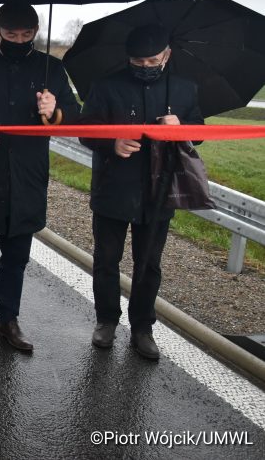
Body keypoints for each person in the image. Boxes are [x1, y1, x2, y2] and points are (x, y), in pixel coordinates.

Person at [0, 0, 80, 353]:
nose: (19, 39)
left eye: (26, 34)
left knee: (16, 258)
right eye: (11, 33)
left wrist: (53, 112)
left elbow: (75, 116)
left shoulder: (51, 69)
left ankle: (7, 319)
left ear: (36, 32)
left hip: (26, 176)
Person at [79, 24, 203, 361]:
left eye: (152, 60)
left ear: (167, 55)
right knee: (106, 260)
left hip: (158, 191)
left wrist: (182, 130)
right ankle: (106, 320)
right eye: (138, 61)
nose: (145, 66)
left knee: (149, 264)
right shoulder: (105, 87)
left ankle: (142, 327)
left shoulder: (184, 89)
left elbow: (200, 133)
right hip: (112, 188)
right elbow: (85, 130)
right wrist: (112, 143)